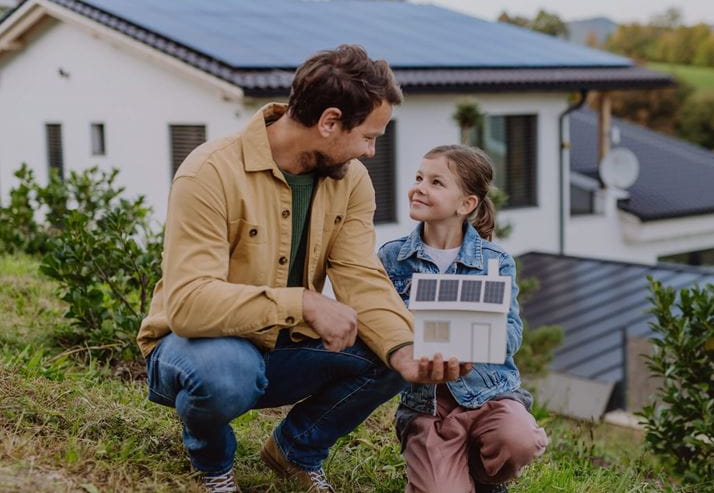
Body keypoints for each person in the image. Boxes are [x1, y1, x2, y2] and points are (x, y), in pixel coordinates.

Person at [136, 45, 469, 493]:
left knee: (388, 346)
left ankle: (294, 451)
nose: (371, 152)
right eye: (369, 137)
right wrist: (304, 302)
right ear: (330, 122)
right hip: (194, 349)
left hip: (280, 347)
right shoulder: (210, 171)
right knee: (228, 370)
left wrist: (404, 348)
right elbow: (189, 306)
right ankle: (213, 463)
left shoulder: (350, 182)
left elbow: (359, 276)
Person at [378, 145, 550, 493]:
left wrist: (475, 336)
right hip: (429, 405)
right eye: (419, 178)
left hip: (490, 394)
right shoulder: (392, 257)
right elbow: (380, 326)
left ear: (466, 204)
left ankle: (485, 477)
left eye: (436, 182)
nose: (420, 188)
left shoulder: (495, 261)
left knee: (520, 440)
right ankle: (449, 467)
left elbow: (513, 331)